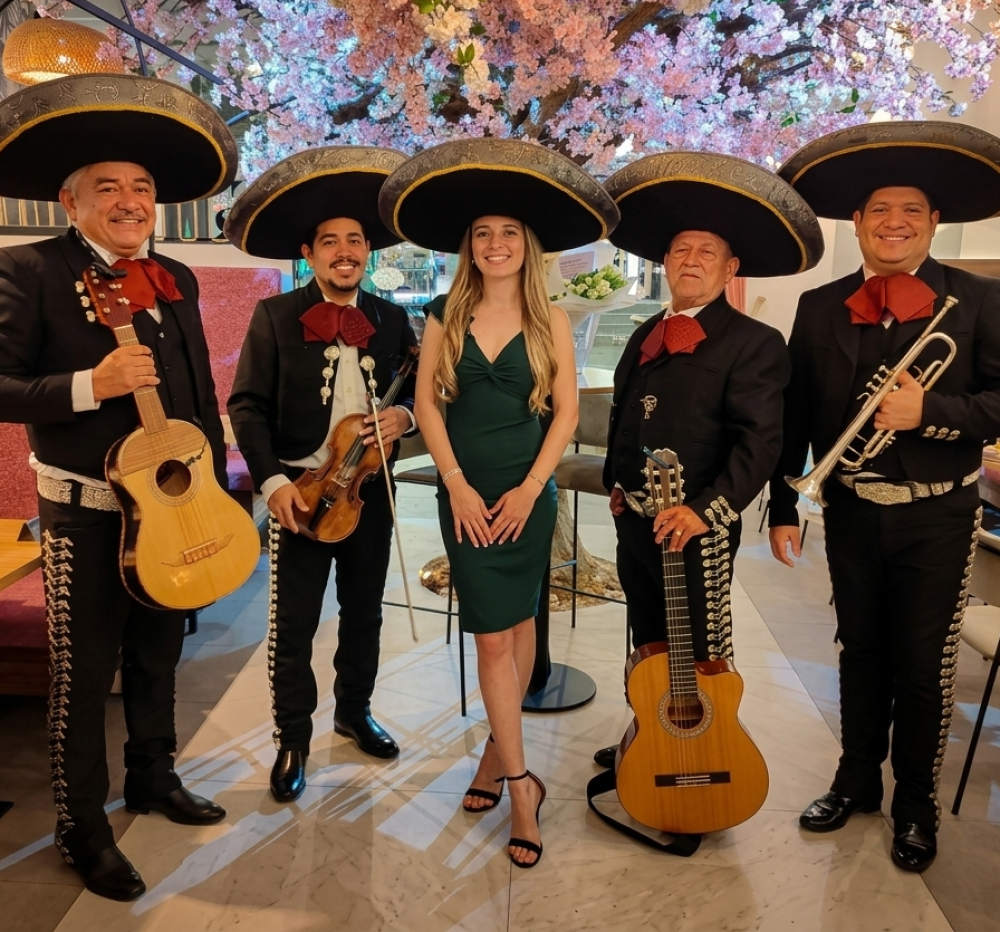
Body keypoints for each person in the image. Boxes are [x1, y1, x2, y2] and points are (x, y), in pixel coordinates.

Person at [0, 74, 239, 901]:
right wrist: (89, 385)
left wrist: (214, 487)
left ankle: (153, 776)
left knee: (159, 652)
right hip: (85, 514)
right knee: (83, 673)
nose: (130, 201)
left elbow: (199, 391)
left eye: (141, 187)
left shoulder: (176, 275)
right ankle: (82, 828)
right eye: (108, 187)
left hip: (175, 509)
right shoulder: (27, 270)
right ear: (70, 202)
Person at [768, 121, 1000, 873]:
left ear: (933, 222)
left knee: (923, 665)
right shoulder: (819, 304)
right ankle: (857, 780)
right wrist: (782, 504)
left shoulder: (979, 300)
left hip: (939, 511)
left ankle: (916, 805)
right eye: (879, 211)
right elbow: (796, 413)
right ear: (858, 222)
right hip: (851, 507)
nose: (894, 223)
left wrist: (928, 411)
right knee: (859, 649)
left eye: (910, 211)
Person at [381, 139, 618, 867]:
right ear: (469, 247)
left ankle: (495, 760)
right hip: (465, 497)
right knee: (490, 637)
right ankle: (523, 785)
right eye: (482, 233)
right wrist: (454, 482)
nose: (495, 244)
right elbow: (427, 404)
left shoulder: (553, 321)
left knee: (517, 628)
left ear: (527, 245)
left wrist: (530, 488)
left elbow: (566, 415)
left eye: (508, 232)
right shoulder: (444, 315)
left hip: (527, 495)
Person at [592, 151, 823, 775]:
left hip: (699, 528)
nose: (690, 260)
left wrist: (703, 511)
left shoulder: (755, 343)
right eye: (681, 250)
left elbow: (760, 443)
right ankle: (649, 733)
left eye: (706, 252)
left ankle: (699, 749)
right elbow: (626, 414)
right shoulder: (646, 331)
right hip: (637, 523)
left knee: (700, 650)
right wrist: (617, 483)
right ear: (665, 261)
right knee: (647, 640)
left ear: (730, 268)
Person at [225, 147, 417, 804]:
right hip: (301, 496)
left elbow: (421, 394)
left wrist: (406, 418)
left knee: (365, 614)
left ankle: (354, 711)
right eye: (330, 241)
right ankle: (292, 737)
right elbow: (246, 406)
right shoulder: (276, 315)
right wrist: (273, 484)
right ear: (309, 253)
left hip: (369, 494)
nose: (345, 251)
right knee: (295, 623)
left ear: (368, 252)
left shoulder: (391, 318)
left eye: (355, 240)